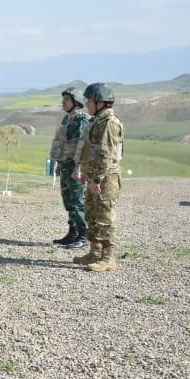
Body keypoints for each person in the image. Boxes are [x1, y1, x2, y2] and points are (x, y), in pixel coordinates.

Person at [72, 82, 126, 272]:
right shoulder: (97, 121)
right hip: (94, 177)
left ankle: (107, 258)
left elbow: (107, 154)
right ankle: (94, 253)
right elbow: (90, 150)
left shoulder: (110, 124)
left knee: (104, 217)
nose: (86, 104)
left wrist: (96, 180)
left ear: (100, 102)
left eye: (89, 101)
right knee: (92, 215)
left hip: (105, 179)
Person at [49, 87, 91, 250]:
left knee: (78, 201)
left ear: (76, 102)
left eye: (66, 100)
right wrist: (59, 163)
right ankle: (72, 233)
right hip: (66, 165)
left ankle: (84, 235)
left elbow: (82, 146)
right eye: (64, 99)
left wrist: (79, 168)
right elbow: (63, 142)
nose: (63, 102)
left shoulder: (82, 120)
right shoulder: (68, 119)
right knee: (69, 201)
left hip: (75, 167)